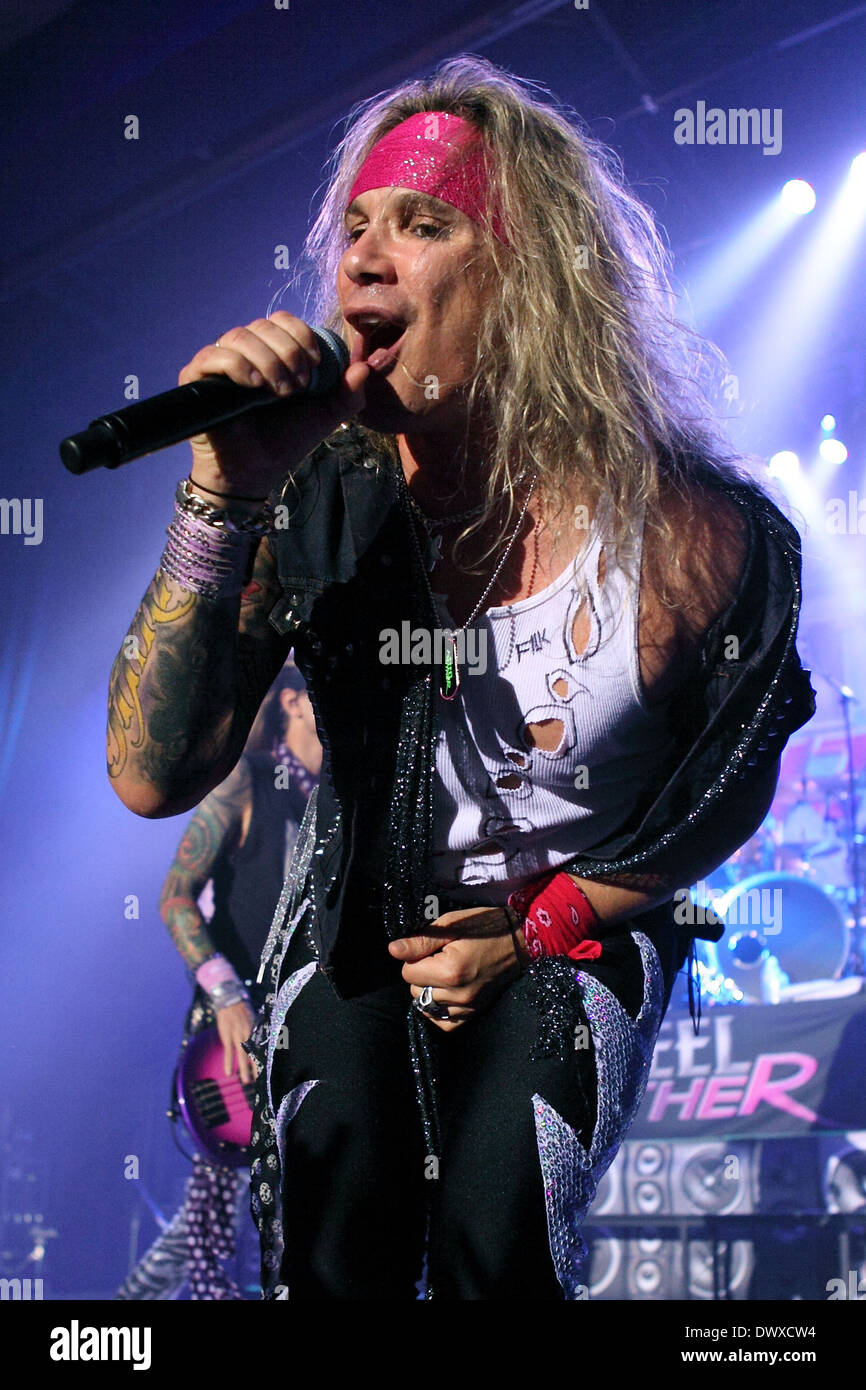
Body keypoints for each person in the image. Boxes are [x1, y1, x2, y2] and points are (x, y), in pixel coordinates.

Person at [107, 55, 815, 1300]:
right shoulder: (321, 497)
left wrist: (545, 924)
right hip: (357, 920)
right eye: (356, 228)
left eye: (422, 224)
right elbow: (150, 777)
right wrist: (224, 490)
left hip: (580, 921)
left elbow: (736, 785)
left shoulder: (695, 535)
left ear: (529, 276)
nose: (362, 261)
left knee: (500, 1235)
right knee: (334, 1248)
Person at [115, 663, 320, 1300]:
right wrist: (228, 997)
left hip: (309, 1033)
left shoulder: (340, 802)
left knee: (287, 1211)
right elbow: (175, 899)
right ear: (294, 701)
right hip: (233, 1041)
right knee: (212, 1223)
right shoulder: (244, 780)